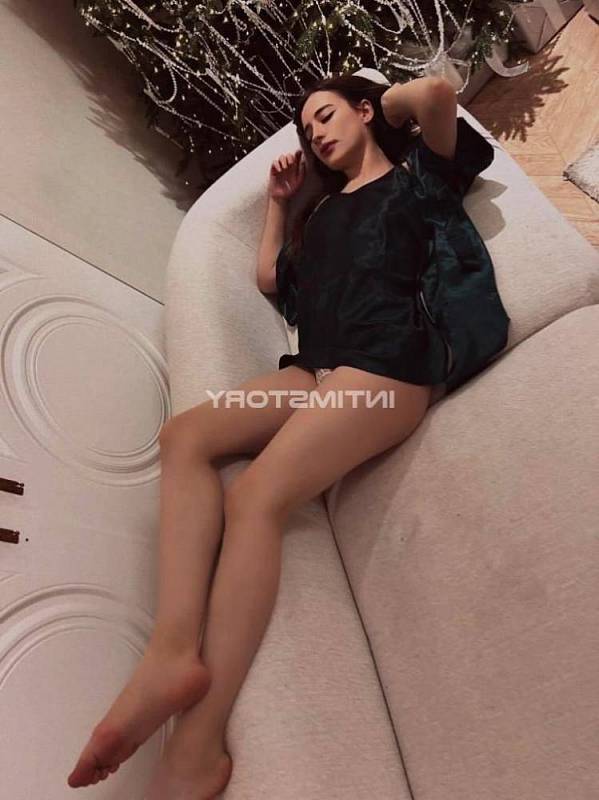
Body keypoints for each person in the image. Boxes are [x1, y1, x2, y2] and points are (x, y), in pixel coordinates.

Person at [66, 73, 510, 797]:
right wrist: (279, 204)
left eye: (326, 116)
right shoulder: (324, 211)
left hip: (387, 367)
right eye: (307, 130)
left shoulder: (417, 180)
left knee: (255, 498)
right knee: (185, 436)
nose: (316, 135)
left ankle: (198, 746)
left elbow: (435, 94)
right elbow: (272, 279)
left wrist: (380, 102)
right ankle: (171, 652)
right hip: (314, 370)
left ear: (364, 110)